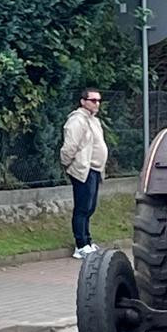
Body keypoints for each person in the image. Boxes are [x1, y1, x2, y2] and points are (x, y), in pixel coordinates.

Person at [60, 88, 108, 259]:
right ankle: (80, 244)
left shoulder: (94, 120)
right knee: (82, 207)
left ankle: (87, 240)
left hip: (94, 169)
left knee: (90, 207)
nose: (97, 104)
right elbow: (70, 146)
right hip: (82, 169)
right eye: (93, 100)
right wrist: (67, 163)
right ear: (83, 101)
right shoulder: (77, 120)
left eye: (98, 100)